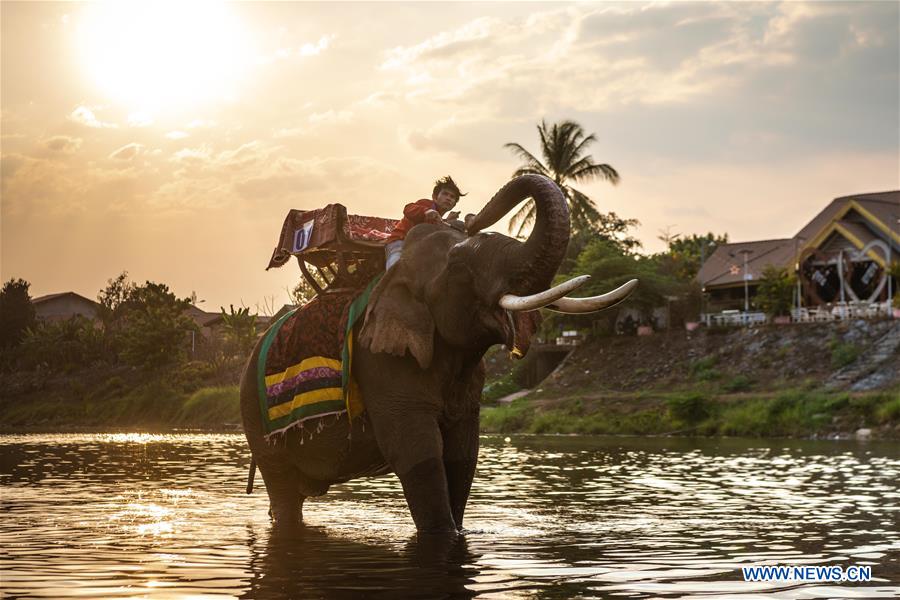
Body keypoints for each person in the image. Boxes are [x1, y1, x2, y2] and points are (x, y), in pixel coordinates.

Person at [384, 175, 466, 270]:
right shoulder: (426, 204)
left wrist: (447, 221)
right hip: (400, 241)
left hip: (419, 248)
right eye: (445, 194)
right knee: (396, 267)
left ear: (454, 204)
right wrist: (426, 211)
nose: (448, 198)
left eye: (452, 197)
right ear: (434, 197)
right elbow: (408, 209)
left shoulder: (440, 219)